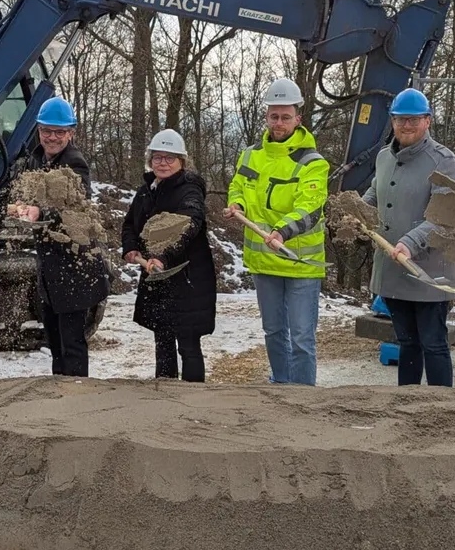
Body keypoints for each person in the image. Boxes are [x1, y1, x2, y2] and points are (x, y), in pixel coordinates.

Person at [226, 77, 328, 386]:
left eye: (285, 117)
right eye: (274, 116)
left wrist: (283, 232)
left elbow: (310, 207)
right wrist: (237, 203)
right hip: (264, 264)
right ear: (267, 116)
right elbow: (239, 185)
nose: (279, 123)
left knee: (300, 338)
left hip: (300, 264)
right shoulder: (251, 154)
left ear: (298, 118)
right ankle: (281, 389)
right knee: (273, 332)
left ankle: (302, 396)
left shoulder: (313, 162)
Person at [366, 88, 455, 387]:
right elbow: (374, 194)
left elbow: (444, 217)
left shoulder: (444, 161)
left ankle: (439, 408)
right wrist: (355, 211)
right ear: (392, 121)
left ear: (428, 121)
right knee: (406, 341)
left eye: (414, 119)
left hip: (429, 272)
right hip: (393, 269)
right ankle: (407, 402)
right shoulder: (384, 157)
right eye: (400, 119)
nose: (406, 126)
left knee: (433, 342)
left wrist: (409, 242)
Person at [8, 96, 109, 378]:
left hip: (74, 266)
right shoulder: (37, 158)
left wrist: (39, 212)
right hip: (50, 264)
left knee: (72, 341)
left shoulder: (75, 164)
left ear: (71, 133)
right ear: (38, 130)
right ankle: (57, 389)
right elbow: (29, 194)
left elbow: (71, 202)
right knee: (53, 339)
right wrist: (21, 207)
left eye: (59, 132)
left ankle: (75, 392)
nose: (51, 137)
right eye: (46, 131)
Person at [121, 129, 217, 382]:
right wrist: (131, 247)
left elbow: (189, 225)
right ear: (150, 160)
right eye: (157, 158)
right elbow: (131, 223)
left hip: (187, 277)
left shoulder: (190, 191)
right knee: (162, 340)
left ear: (182, 162)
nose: (162, 163)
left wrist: (164, 256)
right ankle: (164, 394)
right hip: (157, 278)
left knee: (188, 343)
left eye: (169, 158)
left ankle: (194, 396)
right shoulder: (146, 191)